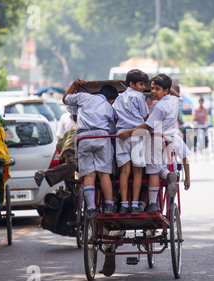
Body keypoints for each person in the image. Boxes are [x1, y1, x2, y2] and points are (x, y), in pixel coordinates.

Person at [118, 73, 182, 213]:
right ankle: (169, 177)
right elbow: (178, 96)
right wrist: (168, 89)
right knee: (161, 168)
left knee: (153, 172)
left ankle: (152, 203)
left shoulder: (158, 107)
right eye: (152, 88)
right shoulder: (174, 101)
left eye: (157, 89)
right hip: (170, 140)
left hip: (157, 139)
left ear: (165, 91)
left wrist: (129, 132)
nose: (152, 92)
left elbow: (148, 125)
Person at [62, 78, 118, 218]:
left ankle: (92, 208)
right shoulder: (109, 108)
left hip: (84, 138)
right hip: (102, 138)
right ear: (111, 100)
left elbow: (66, 99)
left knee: (89, 174)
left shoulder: (84, 97)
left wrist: (73, 84)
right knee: (104, 173)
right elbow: (112, 130)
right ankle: (109, 205)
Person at [113, 69, 150, 215]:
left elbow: (115, 117)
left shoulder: (118, 98)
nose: (142, 87)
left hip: (121, 135)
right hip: (137, 134)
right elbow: (146, 116)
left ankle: (123, 204)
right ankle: (134, 204)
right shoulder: (139, 96)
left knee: (124, 171)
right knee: (138, 171)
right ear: (132, 84)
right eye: (141, 84)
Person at [34, 106, 78, 187]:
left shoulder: (70, 130)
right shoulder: (83, 127)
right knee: (73, 165)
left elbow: (59, 145)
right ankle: (43, 174)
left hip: (65, 154)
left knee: (71, 179)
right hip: (71, 153)